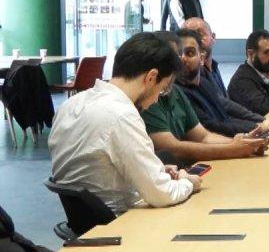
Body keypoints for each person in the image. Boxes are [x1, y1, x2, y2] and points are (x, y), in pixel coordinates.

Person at [49, 32, 201, 215]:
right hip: (122, 220)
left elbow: (99, 165)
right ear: (151, 77)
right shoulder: (122, 115)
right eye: (161, 90)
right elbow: (162, 194)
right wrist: (186, 182)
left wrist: (157, 170)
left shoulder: (69, 105)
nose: (155, 100)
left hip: (88, 219)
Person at [143, 31, 269, 164]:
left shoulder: (178, 91)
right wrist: (234, 148)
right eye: (175, 57)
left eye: (179, 55)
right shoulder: (148, 99)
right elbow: (172, 148)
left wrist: (246, 144)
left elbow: (203, 136)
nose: (181, 60)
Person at [175, 29, 269, 140]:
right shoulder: (178, 92)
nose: (182, 58)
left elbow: (226, 110)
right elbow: (212, 126)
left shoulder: (204, 82)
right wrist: (260, 127)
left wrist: (261, 121)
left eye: (190, 53)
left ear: (202, 58)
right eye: (177, 54)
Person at [181, 17, 228, 97]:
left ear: (213, 37)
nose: (195, 41)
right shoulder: (193, 76)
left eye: (199, 35)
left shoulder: (213, 66)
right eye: (189, 37)